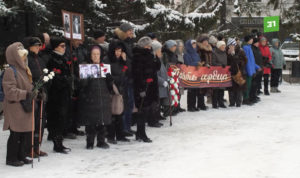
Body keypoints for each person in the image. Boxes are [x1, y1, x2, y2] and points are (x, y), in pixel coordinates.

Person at [3, 42, 35, 166]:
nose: (24, 57)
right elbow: (10, 91)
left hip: (24, 106)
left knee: (24, 133)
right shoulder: (10, 71)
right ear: (15, 56)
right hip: (15, 107)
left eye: (24, 55)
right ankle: (11, 158)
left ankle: (21, 155)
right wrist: (26, 94)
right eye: (21, 55)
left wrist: (36, 93)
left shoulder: (25, 70)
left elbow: (29, 88)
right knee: (16, 133)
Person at [78, 45, 113, 149]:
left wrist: (110, 79)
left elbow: (110, 85)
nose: (96, 56)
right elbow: (82, 85)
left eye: (98, 54)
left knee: (102, 120)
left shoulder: (104, 66)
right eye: (94, 54)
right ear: (90, 55)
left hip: (103, 96)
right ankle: (90, 142)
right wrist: (87, 76)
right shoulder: (86, 65)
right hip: (90, 97)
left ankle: (101, 141)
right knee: (90, 121)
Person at [132, 36, 161, 142]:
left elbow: (156, 68)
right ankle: (141, 133)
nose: (149, 48)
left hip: (150, 86)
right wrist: (142, 85)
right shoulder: (138, 56)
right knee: (141, 110)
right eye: (147, 46)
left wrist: (157, 58)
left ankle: (141, 133)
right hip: (143, 87)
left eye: (150, 46)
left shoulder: (149, 55)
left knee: (145, 110)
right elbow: (138, 73)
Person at [46, 36, 72, 153]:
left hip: (64, 93)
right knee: (57, 118)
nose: (64, 48)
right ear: (56, 46)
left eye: (65, 46)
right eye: (62, 46)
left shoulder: (63, 58)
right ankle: (57, 142)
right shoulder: (52, 59)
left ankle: (59, 141)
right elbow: (52, 76)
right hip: (56, 94)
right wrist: (64, 79)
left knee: (62, 118)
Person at [24, 37, 48, 157]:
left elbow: (44, 74)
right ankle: (29, 148)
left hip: (41, 92)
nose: (38, 47)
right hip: (32, 92)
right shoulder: (26, 59)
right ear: (29, 46)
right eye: (35, 45)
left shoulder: (40, 58)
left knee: (41, 121)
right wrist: (34, 88)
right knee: (32, 121)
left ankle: (37, 146)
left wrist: (45, 84)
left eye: (39, 45)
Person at [113, 23, 135, 137]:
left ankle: (128, 126)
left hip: (130, 76)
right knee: (124, 103)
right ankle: (123, 128)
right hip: (124, 76)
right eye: (129, 30)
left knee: (129, 103)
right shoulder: (119, 43)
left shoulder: (129, 42)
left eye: (132, 30)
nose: (131, 32)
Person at [227, 38, 247, 107]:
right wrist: (229, 55)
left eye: (233, 45)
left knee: (239, 87)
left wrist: (236, 58)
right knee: (231, 88)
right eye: (230, 45)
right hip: (230, 72)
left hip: (239, 72)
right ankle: (232, 102)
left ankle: (238, 102)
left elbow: (245, 61)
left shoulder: (240, 51)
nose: (232, 46)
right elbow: (227, 62)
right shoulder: (227, 52)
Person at [183, 40, 202, 112]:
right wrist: (196, 63)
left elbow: (199, 62)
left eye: (195, 44)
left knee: (196, 90)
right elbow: (188, 63)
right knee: (191, 90)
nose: (194, 45)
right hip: (190, 74)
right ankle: (190, 106)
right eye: (193, 44)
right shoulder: (186, 54)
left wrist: (200, 64)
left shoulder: (196, 54)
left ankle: (194, 105)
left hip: (197, 73)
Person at [242, 35, 261, 105]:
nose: (252, 40)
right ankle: (245, 99)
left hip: (251, 70)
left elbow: (252, 61)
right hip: (248, 71)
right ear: (248, 40)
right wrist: (250, 71)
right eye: (251, 39)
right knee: (247, 85)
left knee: (249, 85)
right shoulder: (246, 48)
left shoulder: (249, 47)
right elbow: (247, 61)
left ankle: (247, 98)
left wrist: (256, 67)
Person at [152, 40, 168, 120]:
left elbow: (163, 70)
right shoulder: (153, 60)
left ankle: (158, 115)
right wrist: (162, 81)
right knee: (156, 102)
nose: (160, 52)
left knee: (160, 101)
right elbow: (154, 74)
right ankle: (154, 117)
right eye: (159, 50)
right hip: (157, 85)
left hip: (161, 85)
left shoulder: (159, 59)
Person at [211, 40, 227, 109]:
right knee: (216, 89)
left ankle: (221, 102)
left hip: (223, 73)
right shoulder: (214, 53)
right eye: (222, 45)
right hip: (216, 73)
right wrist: (220, 65)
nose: (224, 47)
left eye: (224, 45)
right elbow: (213, 63)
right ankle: (214, 103)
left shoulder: (224, 53)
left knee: (222, 89)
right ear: (219, 46)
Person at [250, 38, 263, 103]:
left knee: (257, 83)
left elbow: (260, 57)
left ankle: (255, 95)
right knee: (253, 83)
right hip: (255, 68)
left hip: (259, 67)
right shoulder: (252, 49)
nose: (258, 43)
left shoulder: (257, 49)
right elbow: (252, 60)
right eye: (257, 42)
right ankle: (252, 96)